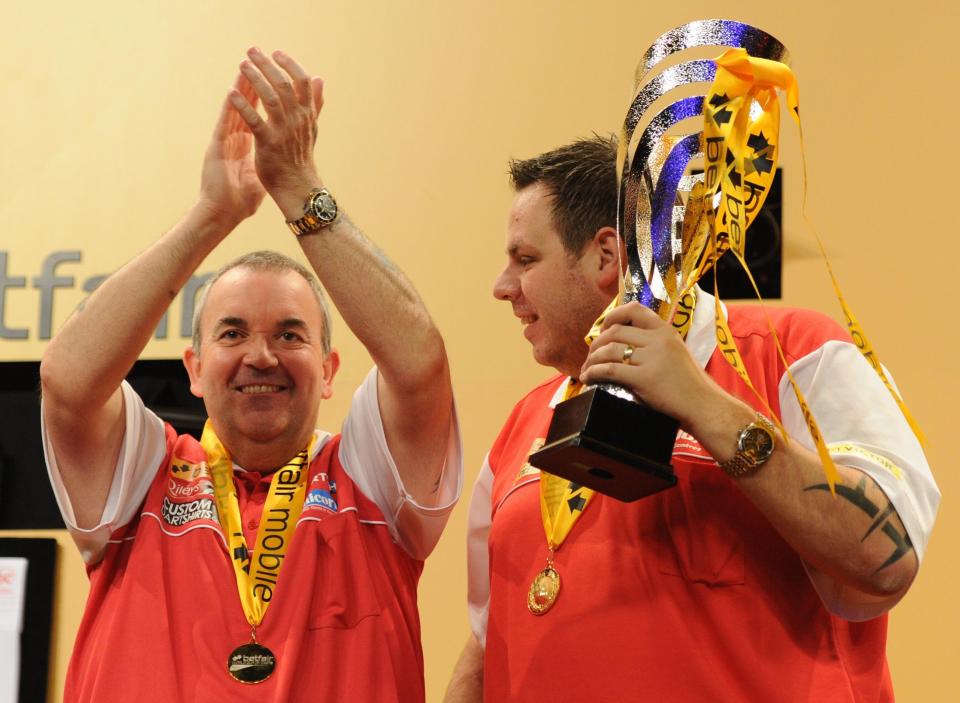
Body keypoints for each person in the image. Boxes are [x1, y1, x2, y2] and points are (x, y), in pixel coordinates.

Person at [444, 136, 939, 702]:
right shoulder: (522, 423)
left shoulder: (793, 353)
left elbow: (886, 559)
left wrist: (702, 404)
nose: (502, 287)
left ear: (606, 255)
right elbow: (488, 639)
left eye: (525, 259)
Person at [40, 48, 461, 702]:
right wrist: (211, 215)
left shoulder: (372, 480)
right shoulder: (140, 473)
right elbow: (67, 380)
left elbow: (418, 360)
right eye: (232, 332)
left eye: (289, 334)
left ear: (328, 370)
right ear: (195, 369)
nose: (260, 355)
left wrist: (297, 189)